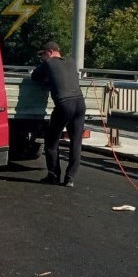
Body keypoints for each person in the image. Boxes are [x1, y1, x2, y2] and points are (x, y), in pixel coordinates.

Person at [30, 42, 86, 187]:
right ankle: (70, 178)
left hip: (64, 104)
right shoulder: (71, 61)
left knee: (51, 141)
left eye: (43, 54)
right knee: (76, 142)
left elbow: (34, 76)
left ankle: (54, 175)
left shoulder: (48, 63)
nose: (42, 57)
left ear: (49, 52)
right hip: (80, 103)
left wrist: (46, 79)